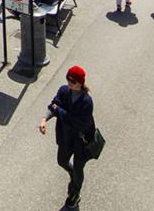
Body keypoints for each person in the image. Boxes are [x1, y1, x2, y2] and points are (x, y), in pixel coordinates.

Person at [38, 66, 96, 209]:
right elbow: (53, 106)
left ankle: (75, 193)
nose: (70, 83)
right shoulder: (64, 91)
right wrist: (45, 119)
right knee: (62, 161)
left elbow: (79, 124)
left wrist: (59, 111)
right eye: (68, 79)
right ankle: (73, 174)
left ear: (80, 82)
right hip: (65, 137)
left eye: (73, 81)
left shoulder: (87, 102)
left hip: (81, 140)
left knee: (78, 168)